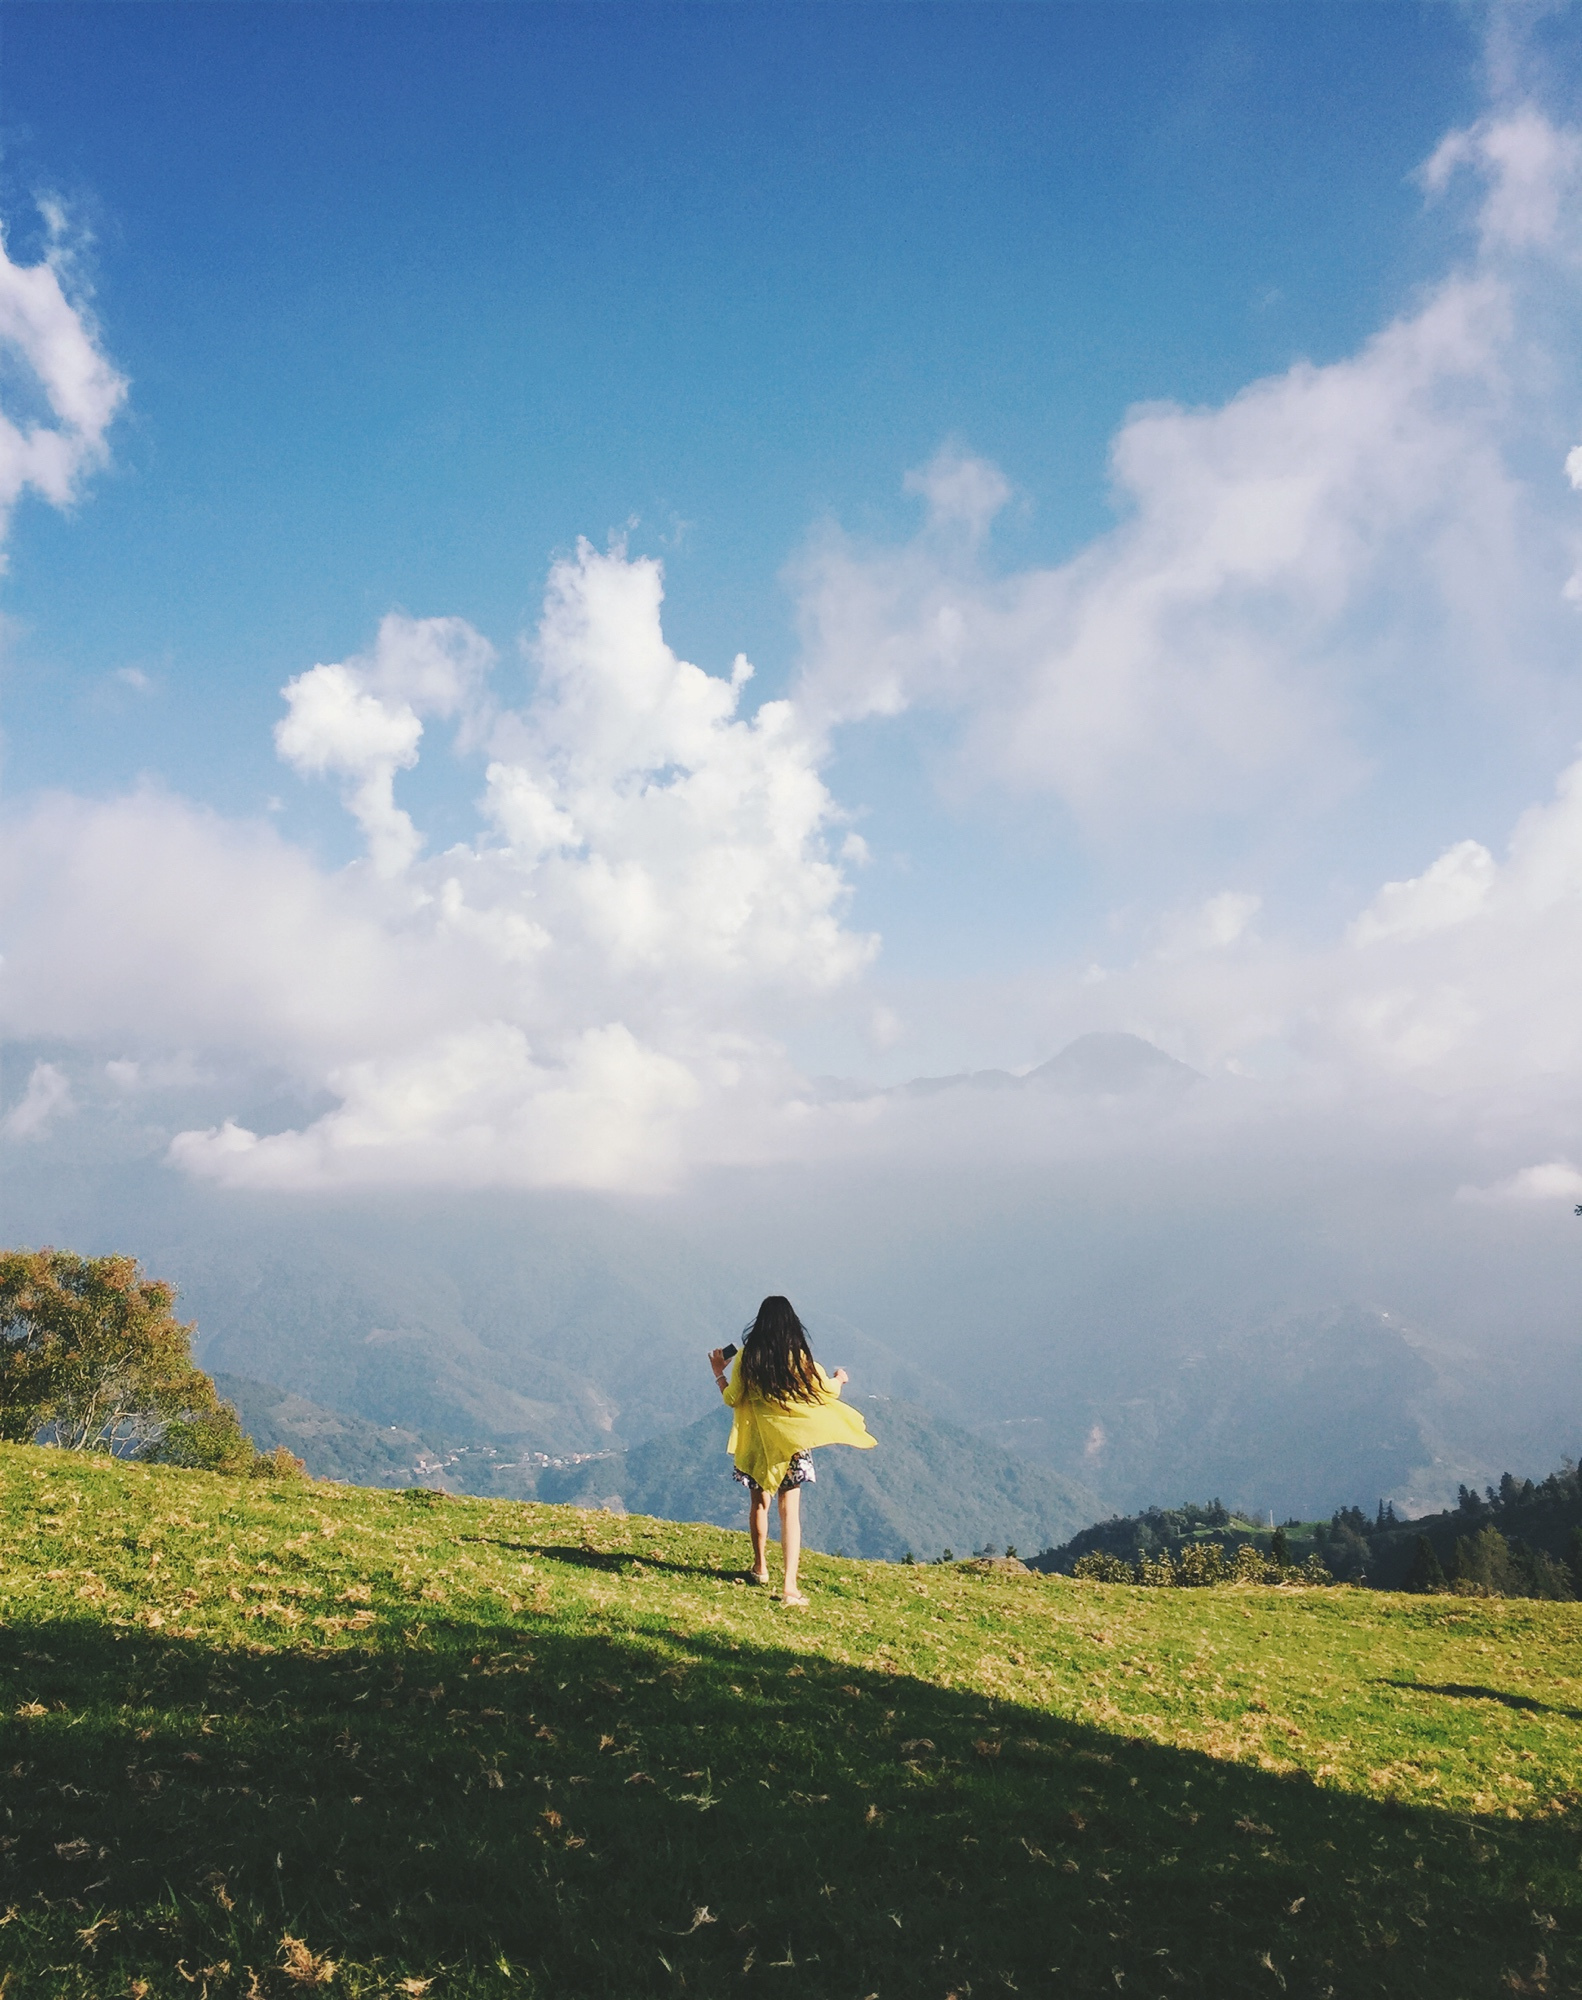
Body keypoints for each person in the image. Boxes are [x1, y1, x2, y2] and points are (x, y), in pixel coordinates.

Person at [709, 1295, 875, 1606]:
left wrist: (719, 1371)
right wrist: (839, 1379)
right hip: (792, 1446)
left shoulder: (746, 1357)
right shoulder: (798, 1357)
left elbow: (732, 1398)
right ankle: (789, 1586)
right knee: (790, 1514)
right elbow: (824, 1391)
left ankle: (760, 1568)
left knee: (759, 1507)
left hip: (757, 1447)